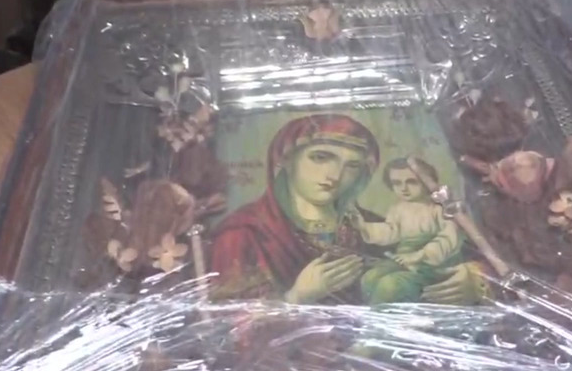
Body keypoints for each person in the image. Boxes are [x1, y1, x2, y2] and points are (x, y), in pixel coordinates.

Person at [208, 114, 488, 305]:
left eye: (352, 165)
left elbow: (457, 257)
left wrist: (475, 279)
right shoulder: (243, 234)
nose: (335, 175)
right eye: (321, 157)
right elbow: (228, 331)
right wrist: (296, 298)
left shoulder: (368, 225)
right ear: (286, 159)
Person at [352, 157, 463, 304]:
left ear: (425, 181)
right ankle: (371, 310)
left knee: (389, 285)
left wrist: (419, 255)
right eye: (397, 183)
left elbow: (448, 239)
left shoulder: (439, 209)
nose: (404, 188)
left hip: (431, 266)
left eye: (411, 182)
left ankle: (382, 314)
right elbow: (391, 231)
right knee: (370, 277)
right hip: (403, 259)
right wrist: (364, 226)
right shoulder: (398, 209)